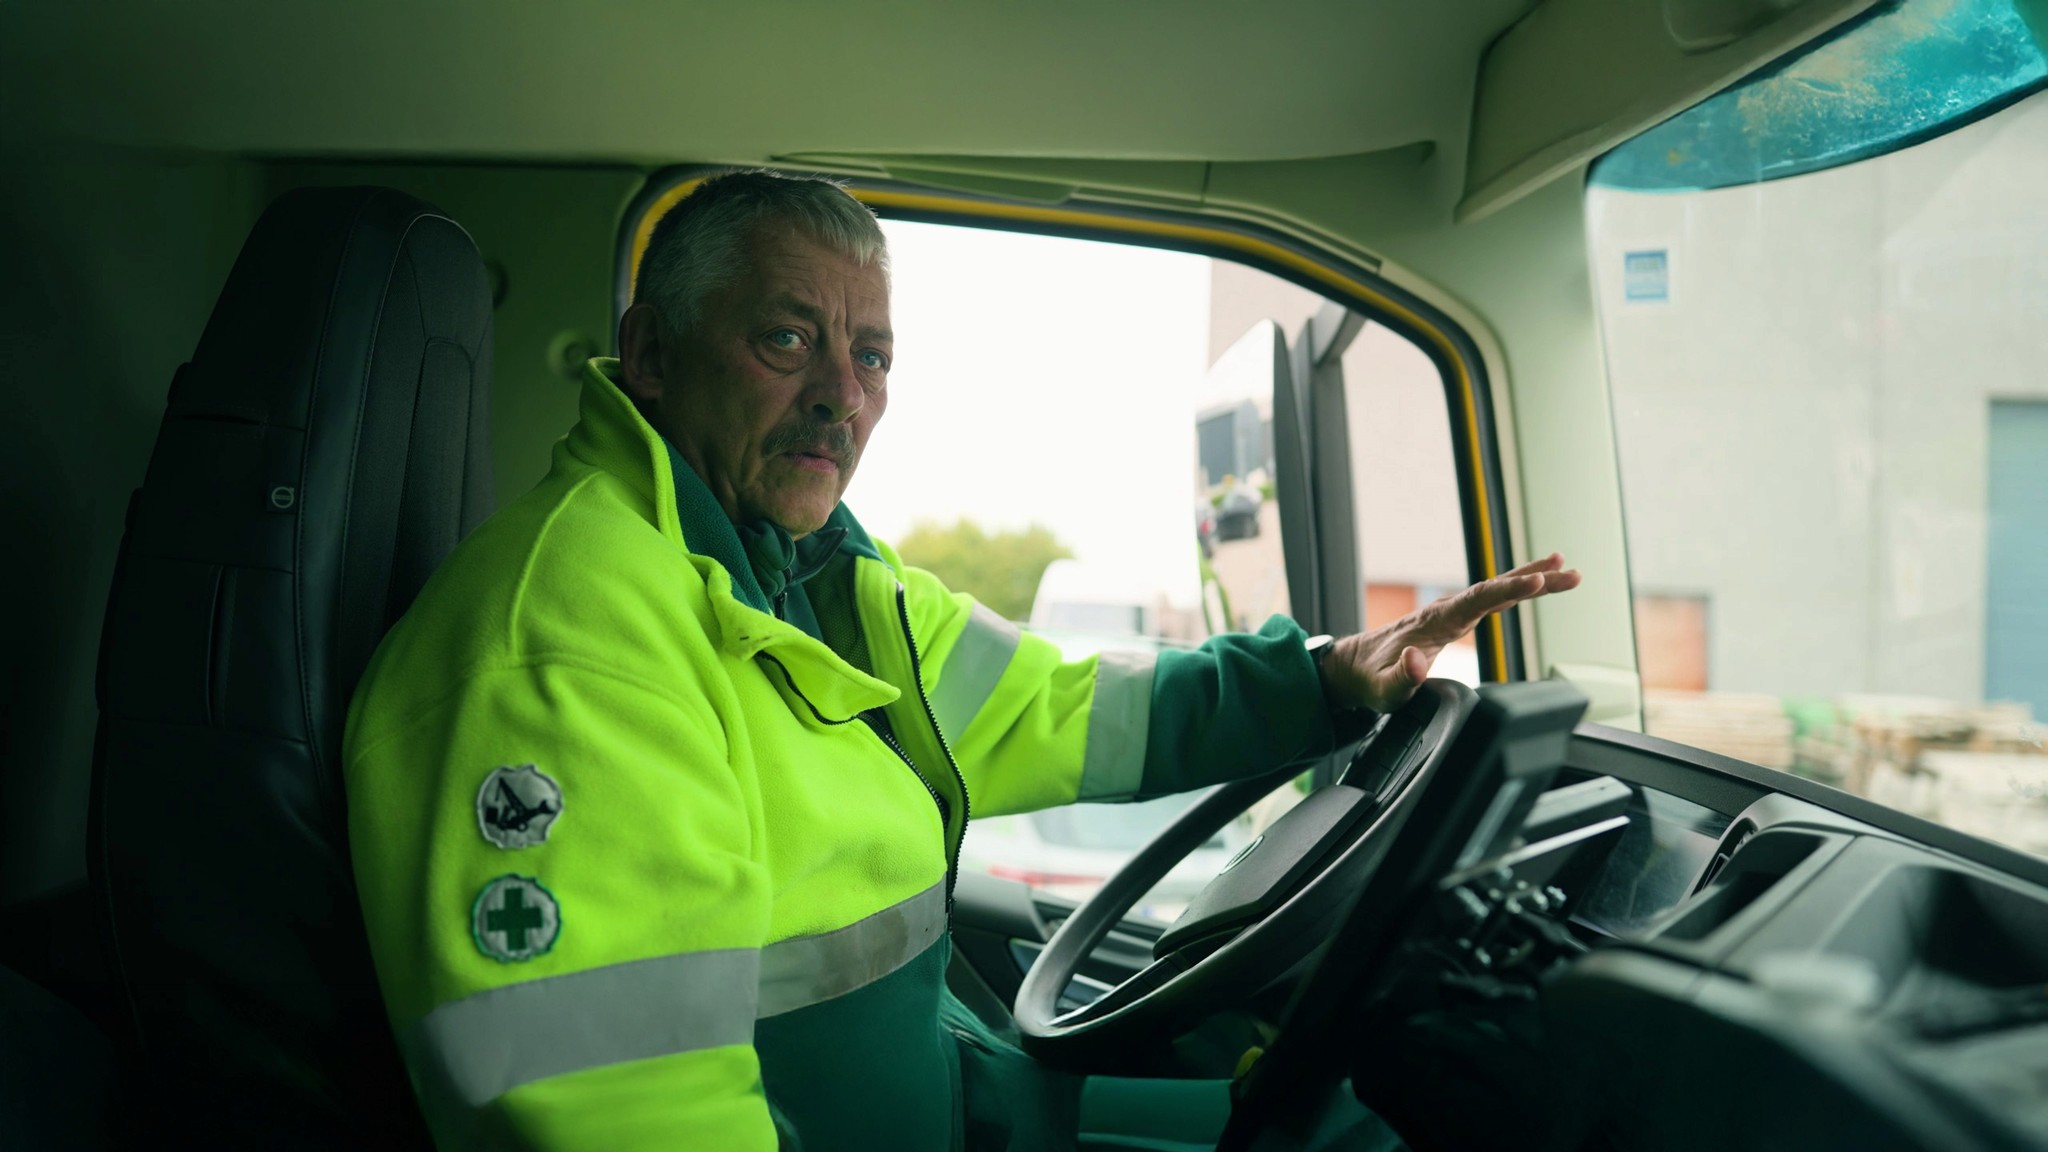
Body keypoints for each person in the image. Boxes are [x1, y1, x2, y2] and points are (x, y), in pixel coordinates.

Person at [343, 169, 1580, 1152]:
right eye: (786, 339)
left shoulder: (811, 571)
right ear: (653, 354)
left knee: (1353, 1117)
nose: (842, 397)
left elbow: (1051, 709)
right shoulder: (568, 643)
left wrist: (1319, 681)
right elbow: (607, 1103)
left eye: (869, 356)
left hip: (960, 1101)